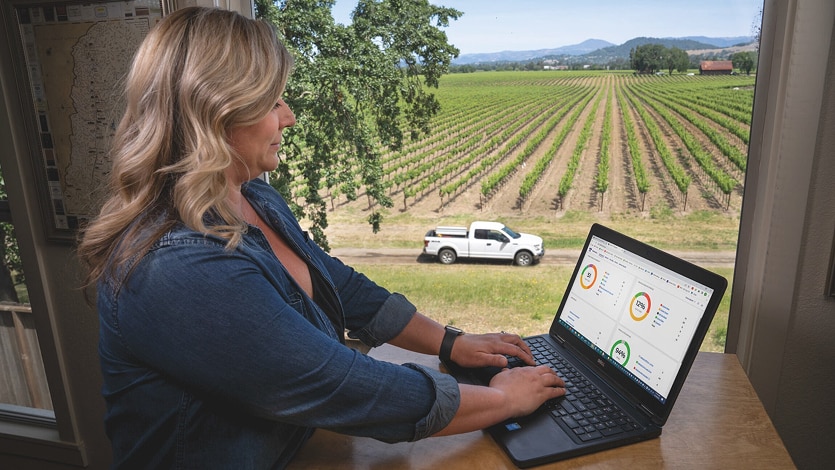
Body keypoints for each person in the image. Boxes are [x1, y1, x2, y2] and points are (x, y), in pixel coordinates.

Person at [77, 6, 564, 469]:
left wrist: (450, 343)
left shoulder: (254, 199)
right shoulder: (178, 269)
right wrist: (503, 399)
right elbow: (344, 388)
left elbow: (343, 289)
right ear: (216, 113)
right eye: (272, 102)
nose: (288, 117)